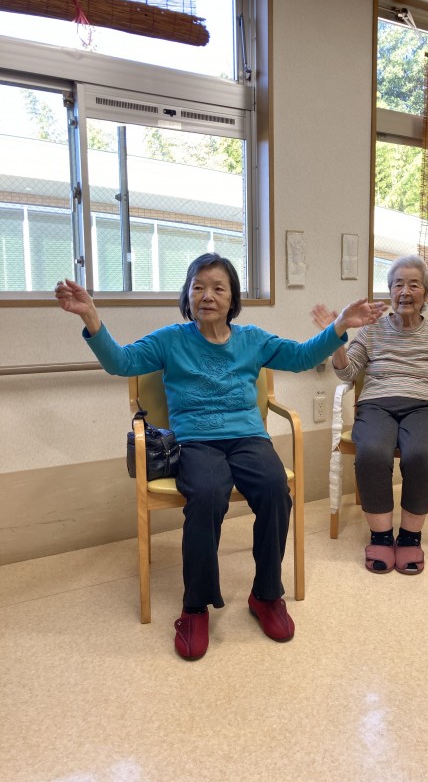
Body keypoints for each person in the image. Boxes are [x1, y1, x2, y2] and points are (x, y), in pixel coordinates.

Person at [55, 253, 387, 660]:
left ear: (232, 299)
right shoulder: (170, 340)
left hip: (248, 437)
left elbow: (301, 356)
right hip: (196, 441)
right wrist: (91, 316)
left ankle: (266, 595)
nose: (207, 295)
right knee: (207, 494)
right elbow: (120, 363)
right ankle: (194, 607)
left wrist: (340, 327)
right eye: (198, 287)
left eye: (217, 288)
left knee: (274, 489)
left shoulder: (252, 340)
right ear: (187, 295)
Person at [312, 255, 428, 575]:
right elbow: (348, 374)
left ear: (426, 293)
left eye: (413, 285)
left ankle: (410, 538)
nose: (405, 291)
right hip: (376, 404)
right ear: (390, 291)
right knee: (372, 451)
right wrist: (336, 339)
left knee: (421, 454)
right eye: (398, 284)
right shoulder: (371, 330)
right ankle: (381, 536)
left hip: (424, 406)